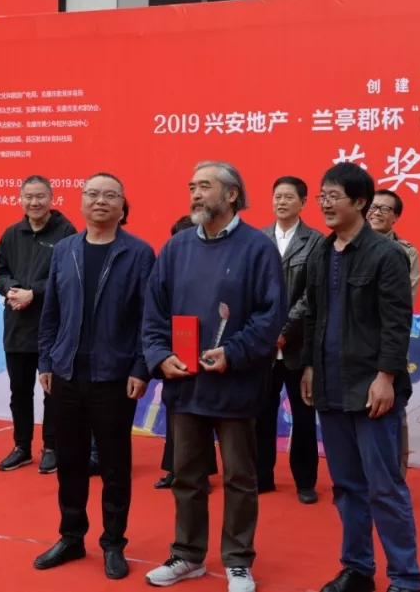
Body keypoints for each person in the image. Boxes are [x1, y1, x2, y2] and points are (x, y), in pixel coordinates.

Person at [142, 161, 287, 592]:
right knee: (187, 475)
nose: (195, 194)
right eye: (192, 186)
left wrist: (234, 352)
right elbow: (154, 311)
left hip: (236, 384)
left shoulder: (258, 248)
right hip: (185, 384)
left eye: (204, 186)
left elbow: (270, 315)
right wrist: (160, 355)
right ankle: (188, 555)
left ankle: (238, 560)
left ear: (231, 194)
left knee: (239, 477)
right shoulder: (176, 247)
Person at [300, 162, 420, 592]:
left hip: (372, 389)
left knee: (384, 488)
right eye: (322, 196)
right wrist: (309, 367)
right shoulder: (319, 253)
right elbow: (312, 316)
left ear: (360, 202)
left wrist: (386, 376)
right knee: (346, 486)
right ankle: (357, 569)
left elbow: (396, 323)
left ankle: (405, 578)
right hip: (330, 386)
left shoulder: (386, 255)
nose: (325, 204)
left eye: (334, 196)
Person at [32, 173, 155, 581]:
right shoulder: (65, 249)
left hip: (114, 377)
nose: (100, 201)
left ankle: (113, 542)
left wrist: (141, 367)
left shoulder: (139, 253)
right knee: (69, 461)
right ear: (81, 202)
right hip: (67, 373)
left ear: (122, 206)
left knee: (115, 465)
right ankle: (71, 536)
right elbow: (51, 312)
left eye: (110, 195)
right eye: (92, 194)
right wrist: (46, 361)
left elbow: (148, 318)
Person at [0, 175, 77, 474]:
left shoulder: (66, 232)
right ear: (21, 199)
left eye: (40, 196)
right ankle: (22, 447)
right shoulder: (11, 233)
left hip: (53, 328)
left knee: (53, 392)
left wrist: (34, 292)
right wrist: (11, 290)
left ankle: (51, 446)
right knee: (19, 391)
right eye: (29, 196)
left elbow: (67, 276)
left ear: (51, 199)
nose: (34, 202)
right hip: (17, 325)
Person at [257, 176, 321, 504]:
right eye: (277, 196)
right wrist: (264, 332)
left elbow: (312, 295)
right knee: (261, 415)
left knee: (304, 417)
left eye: (288, 197)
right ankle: (261, 476)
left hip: (299, 346)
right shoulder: (258, 239)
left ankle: (305, 482)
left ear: (303, 202)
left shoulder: (316, 241)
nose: (281, 202)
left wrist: (283, 332)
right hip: (263, 348)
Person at [157, 214, 219, 491]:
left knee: (202, 414)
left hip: (209, 349)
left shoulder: (216, 266)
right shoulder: (168, 266)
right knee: (176, 411)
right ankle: (175, 468)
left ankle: (201, 471)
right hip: (176, 347)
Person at [366, 188, 420, 478]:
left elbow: (402, 301)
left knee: (393, 407)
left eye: (384, 209)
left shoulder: (405, 252)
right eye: (372, 207)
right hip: (354, 344)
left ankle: (396, 476)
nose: (376, 212)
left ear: (395, 217)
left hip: (388, 342)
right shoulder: (345, 244)